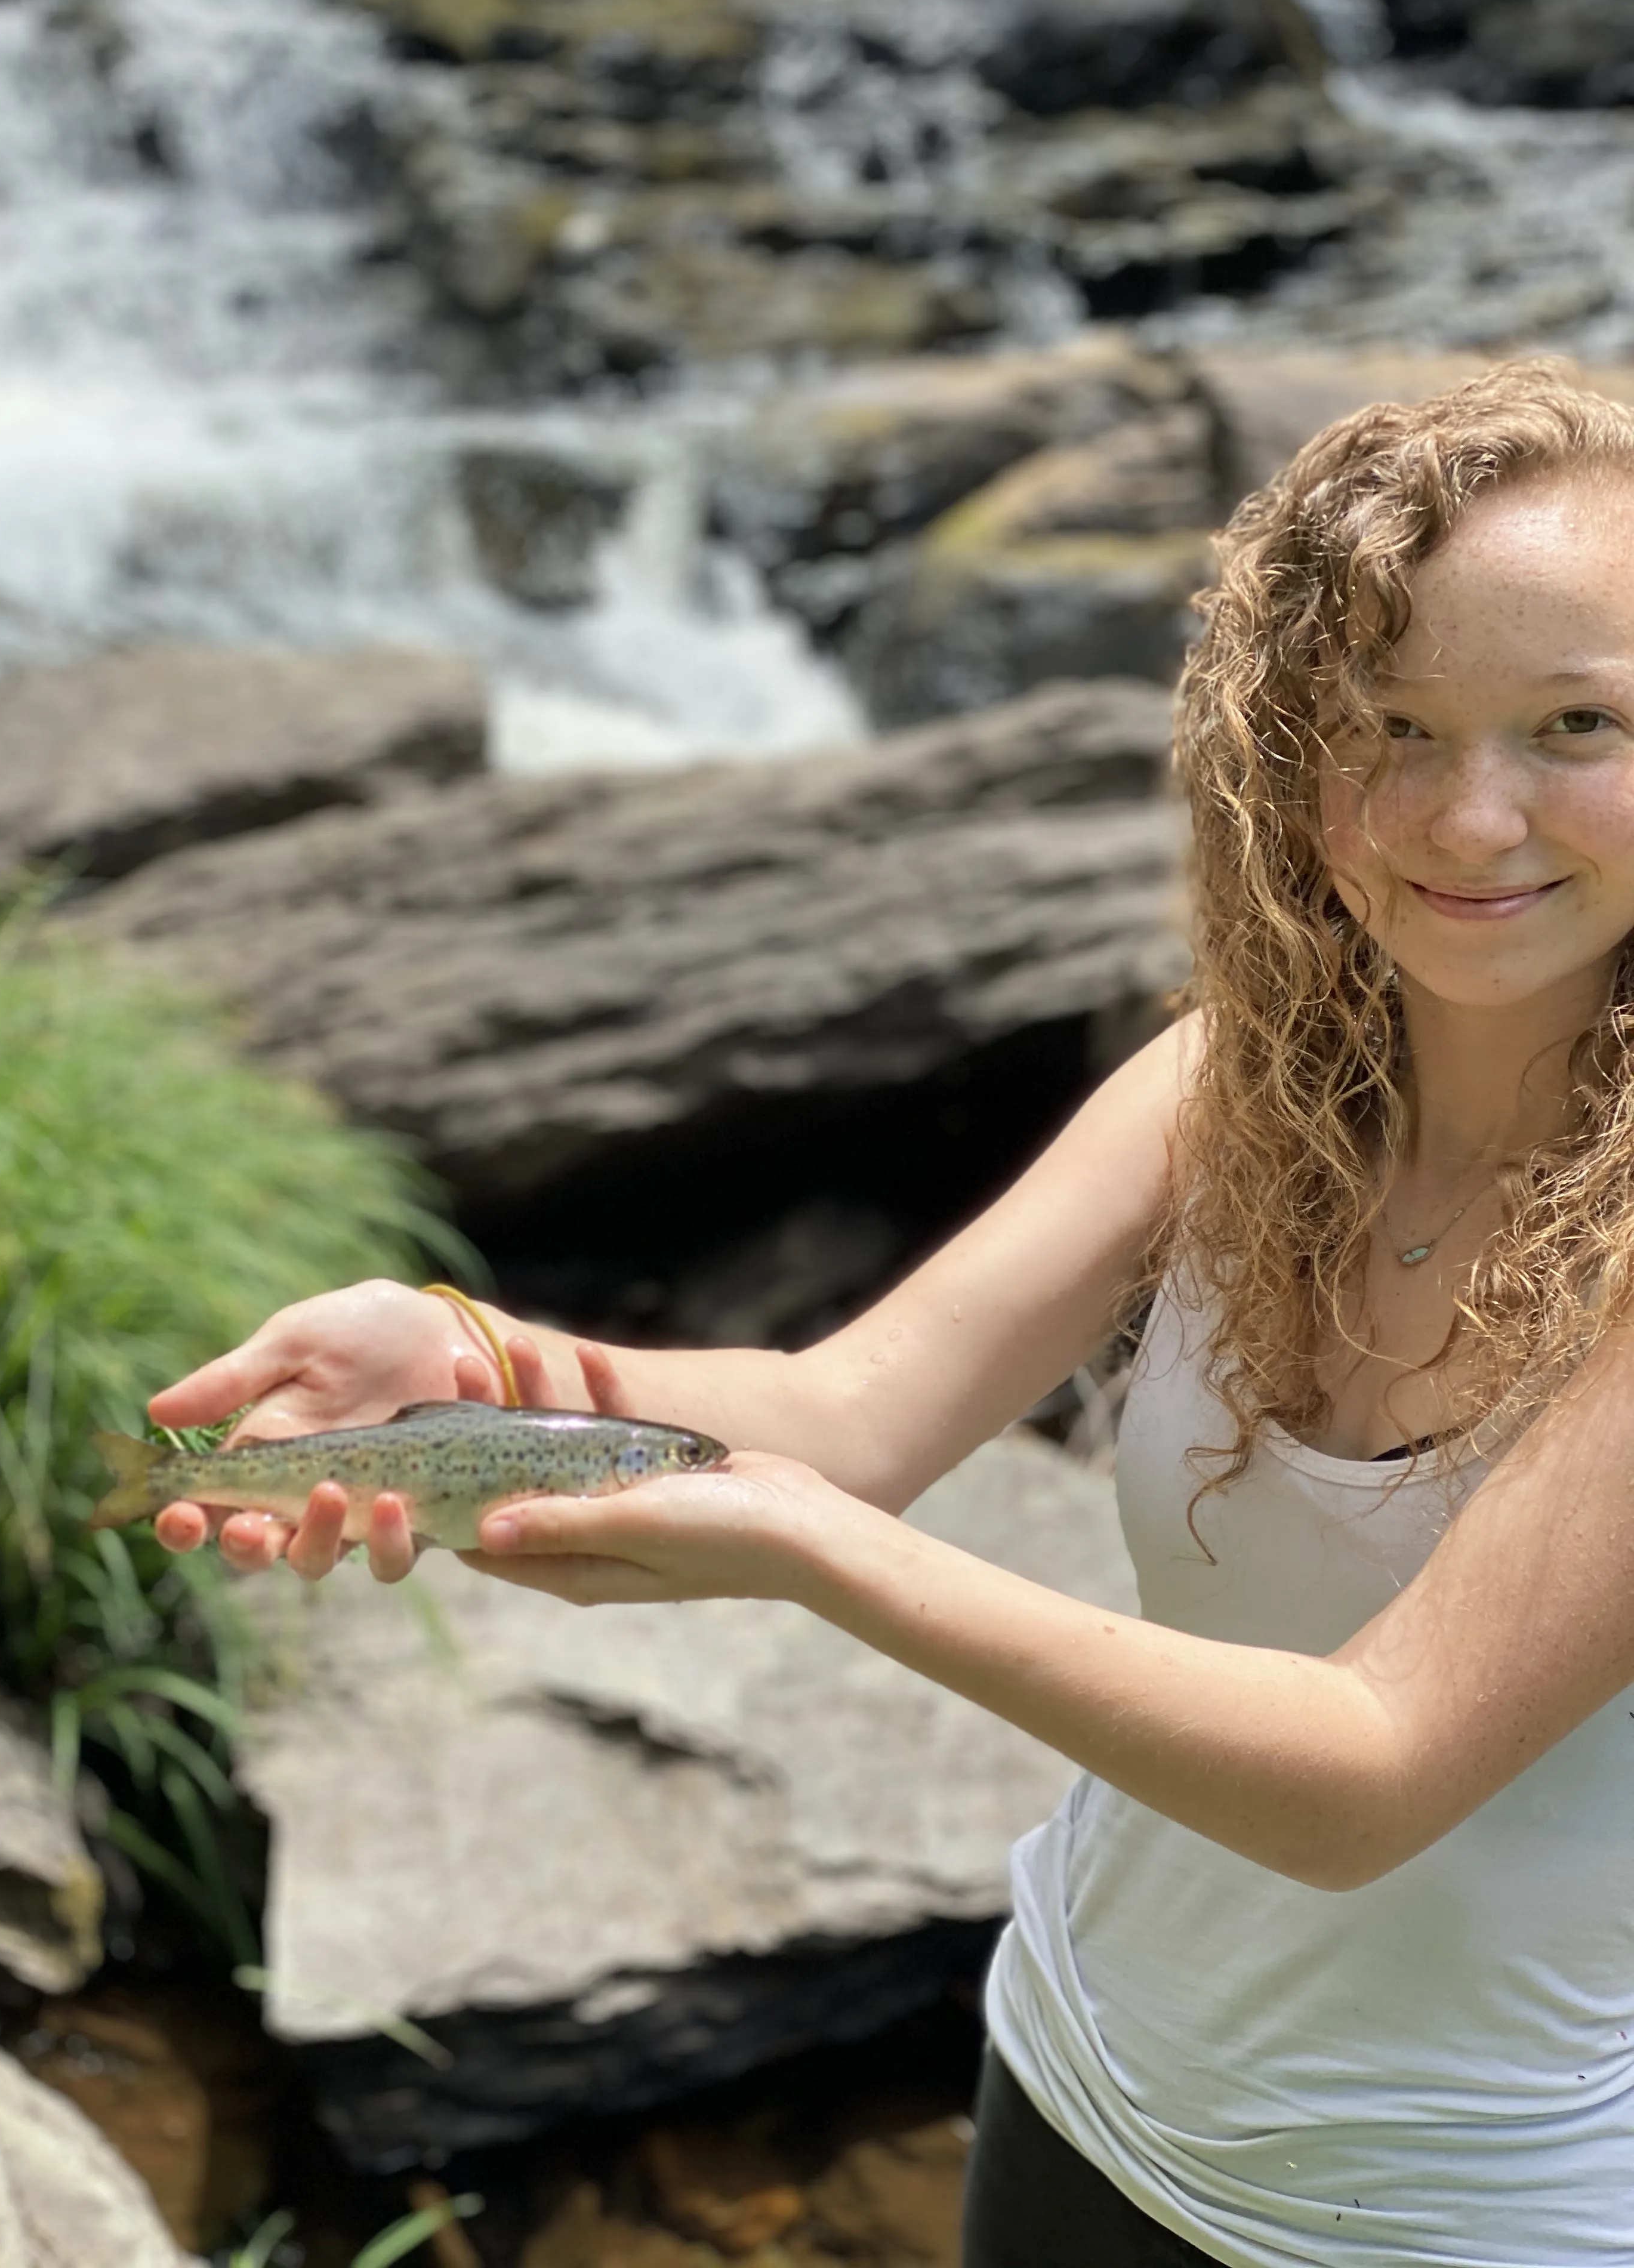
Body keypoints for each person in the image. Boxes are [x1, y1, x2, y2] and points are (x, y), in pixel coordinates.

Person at [152, 359, 1634, 2266]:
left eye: (1576, 723)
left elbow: (1370, 1770)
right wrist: (490, 1366)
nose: (1469, 811)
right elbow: (845, 1410)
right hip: (1078, 2095)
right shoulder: (1232, 1089)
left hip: (1453, 2223)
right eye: (1393, 722)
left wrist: (817, 1561)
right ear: (1285, 742)